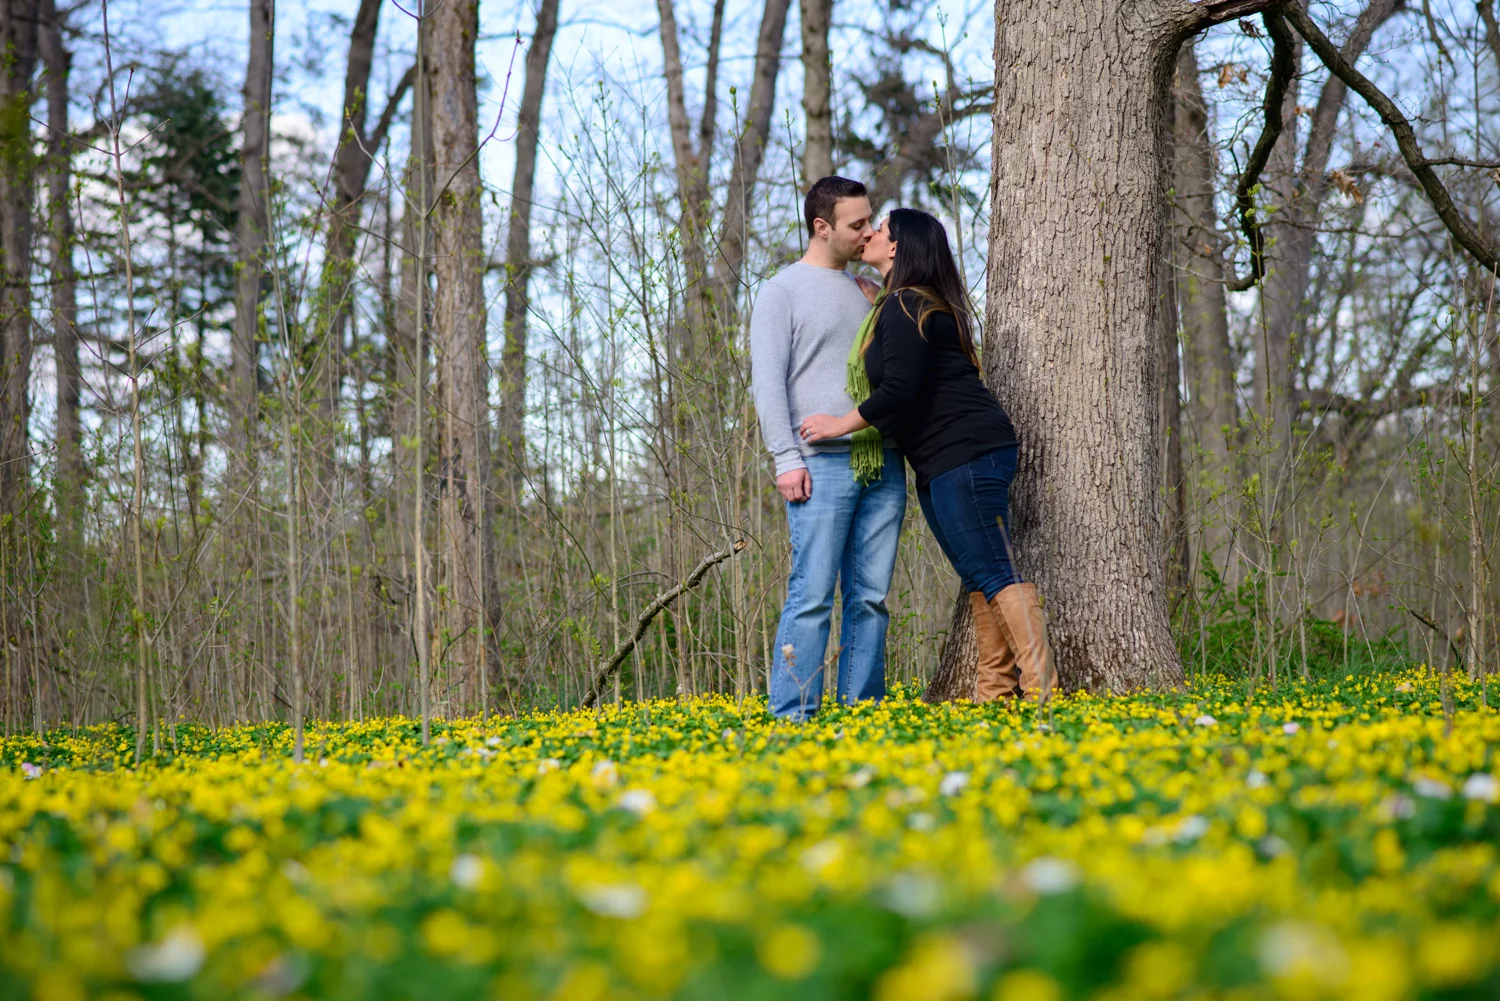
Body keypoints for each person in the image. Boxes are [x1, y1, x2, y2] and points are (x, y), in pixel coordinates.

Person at [799, 208, 1056, 702]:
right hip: (945, 458)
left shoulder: (907, 305)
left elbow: (898, 389)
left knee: (995, 572)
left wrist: (839, 424)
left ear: (897, 246)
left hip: (966, 451)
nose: (870, 234)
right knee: (979, 574)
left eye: (880, 229)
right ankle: (994, 693)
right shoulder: (906, 303)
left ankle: (1042, 692)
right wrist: (876, 302)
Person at [750, 176, 907, 720]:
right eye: (856, 224)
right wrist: (785, 458)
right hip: (819, 466)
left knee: (870, 599)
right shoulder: (781, 292)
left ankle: (862, 712)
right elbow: (768, 383)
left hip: (881, 460)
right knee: (812, 595)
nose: (868, 233)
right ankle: (793, 716)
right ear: (822, 227)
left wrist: (882, 298)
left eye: (870, 220)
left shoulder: (868, 289)